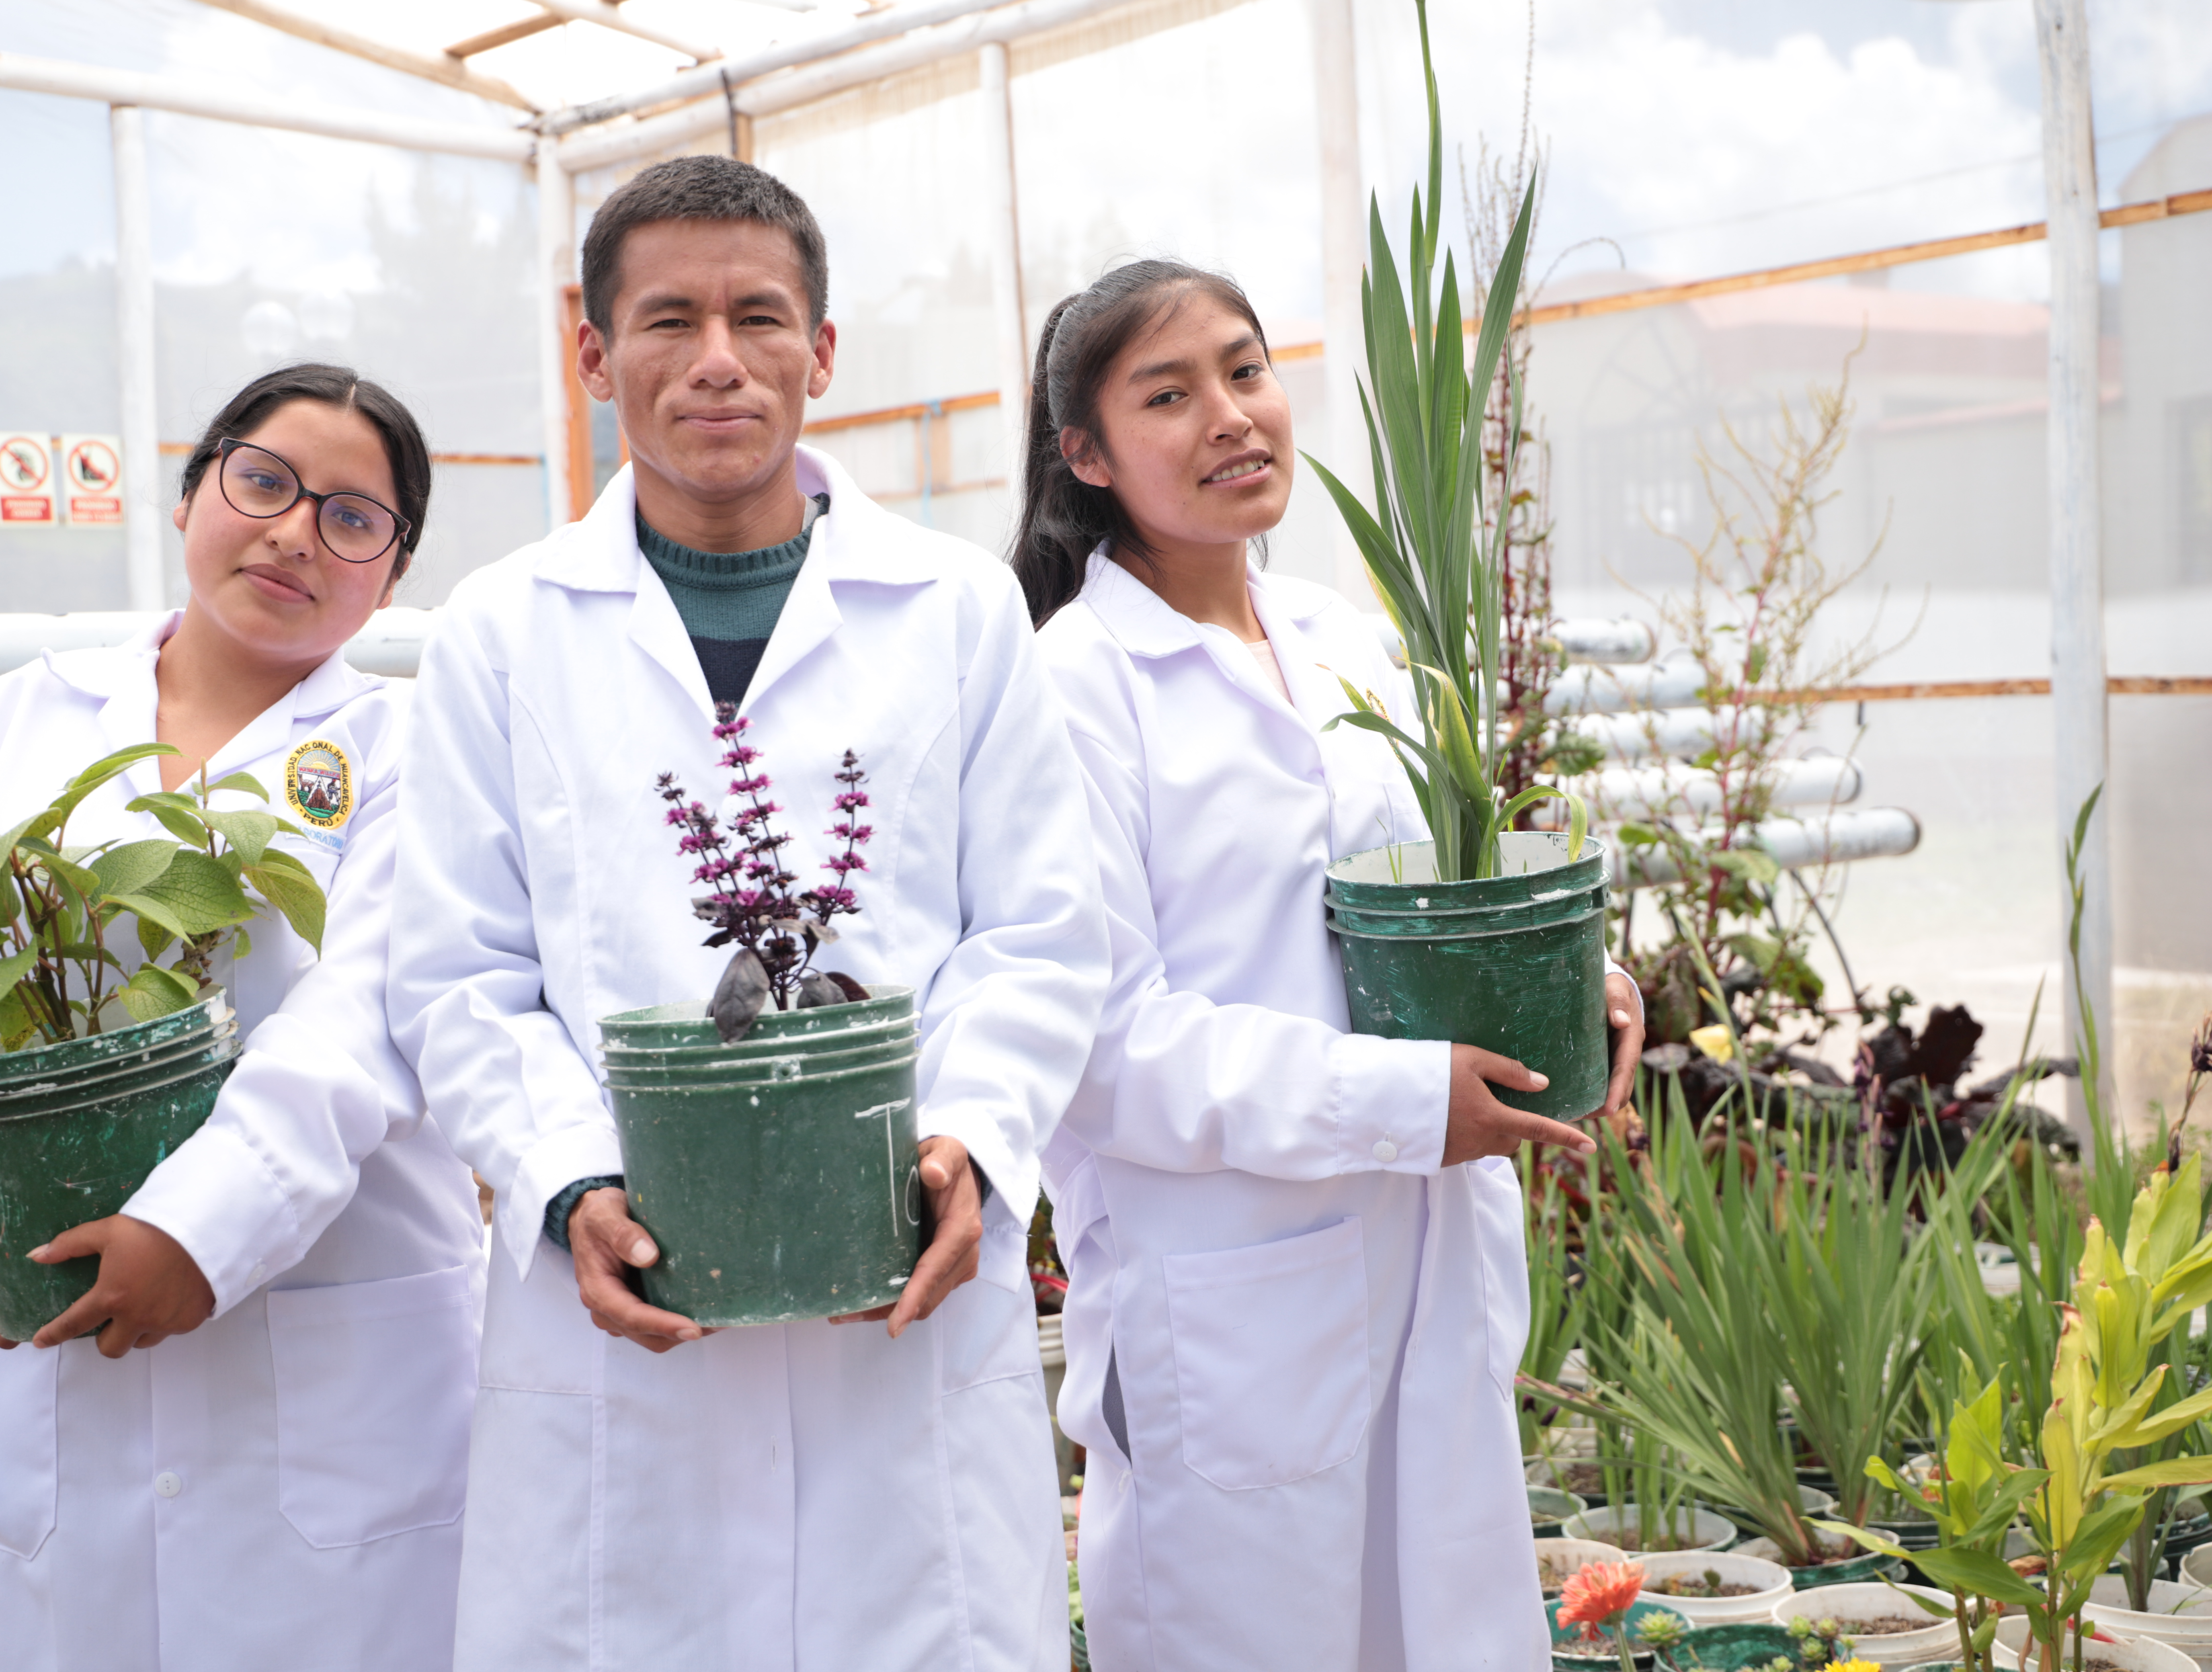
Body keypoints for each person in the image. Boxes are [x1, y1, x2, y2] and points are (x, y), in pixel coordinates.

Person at [385, 154, 1105, 1671]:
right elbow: (460, 971)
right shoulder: (497, 637)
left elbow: (1036, 929)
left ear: (821, 352)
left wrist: (969, 1137)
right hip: (632, 1318)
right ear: (594, 357)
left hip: (897, 1298)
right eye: (667, 320)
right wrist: (573, 1183)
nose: (718, 360)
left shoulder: (959, 609)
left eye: (759, 317)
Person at [1012, 261, 1646, 1670]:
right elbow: (1106, 1048)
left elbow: (1419, 926)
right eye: (1167, 395)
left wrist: (1563, 995)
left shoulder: (1345, 644)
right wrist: (1405, 1101)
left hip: (1423, 1262)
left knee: (1447, 1631)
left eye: (1247, 371)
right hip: (1226, 1305)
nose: (1232, 416)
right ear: (1088, 455)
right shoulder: (1071, 686)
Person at [0, 365, 484, 1672]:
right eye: (267, 482)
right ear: (194, 493)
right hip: (41, 1330)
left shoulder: (419, 751)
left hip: (336, 1348)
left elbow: (360, 1029)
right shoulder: (2, 730)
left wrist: (194, 1232)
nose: (297, 532)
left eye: (355, 517)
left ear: (390, 577)